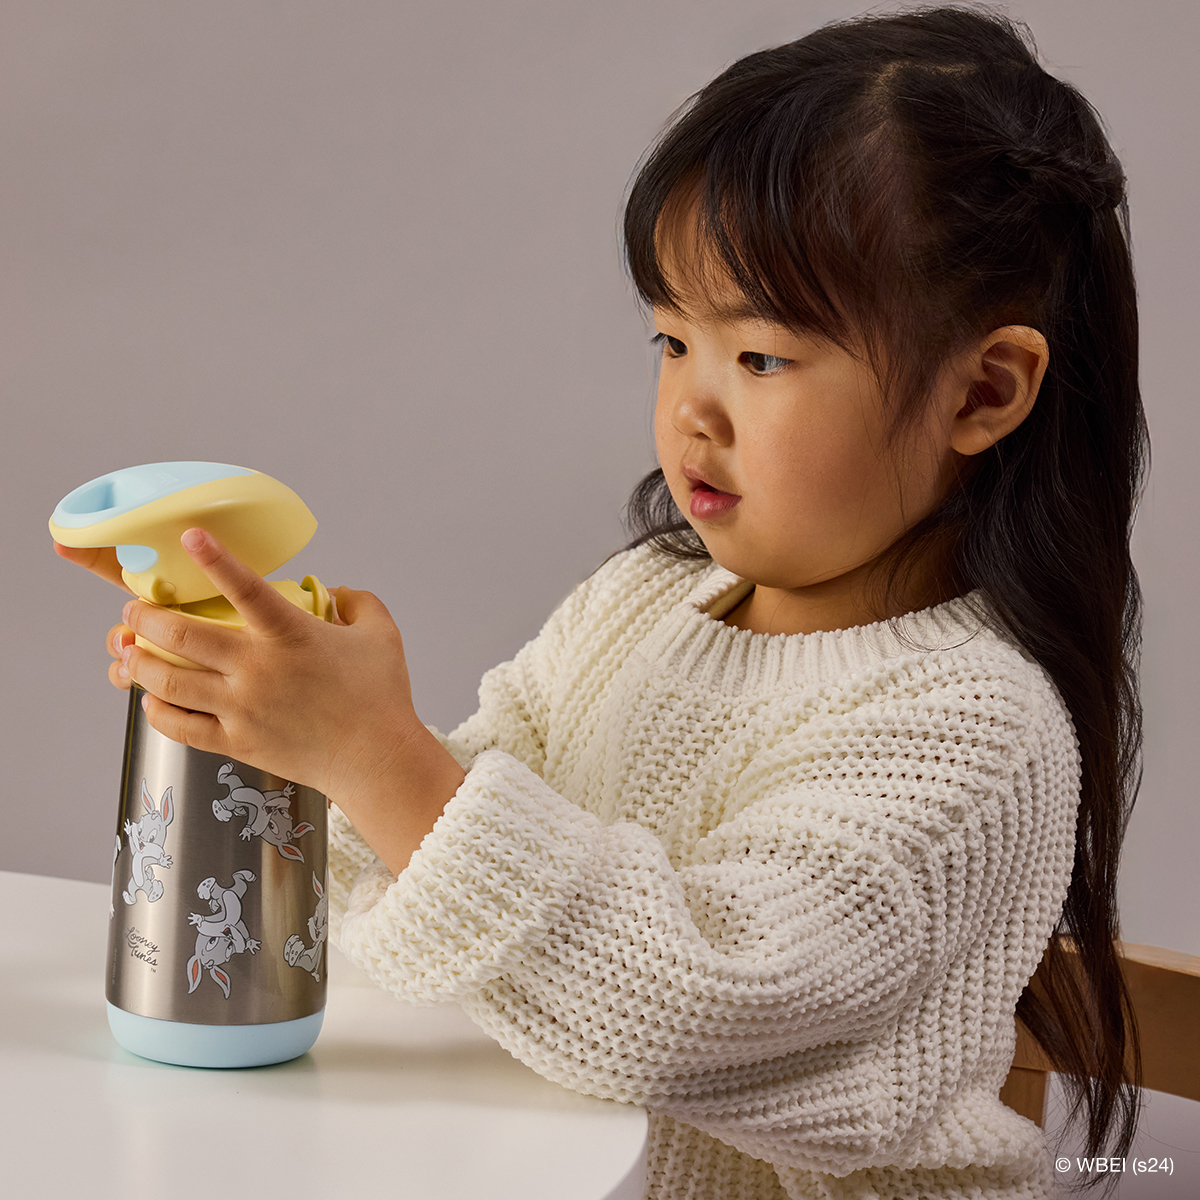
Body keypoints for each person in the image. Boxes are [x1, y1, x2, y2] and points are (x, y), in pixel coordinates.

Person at [56, 6, 1147, 1197]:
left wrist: (374, 755)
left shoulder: (973, 727)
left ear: (984, 392)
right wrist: (278, 707)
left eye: (761, 357)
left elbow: (685, 1007)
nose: (691, 409)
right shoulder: (645, 602)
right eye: (672, 341)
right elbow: (451, 838)